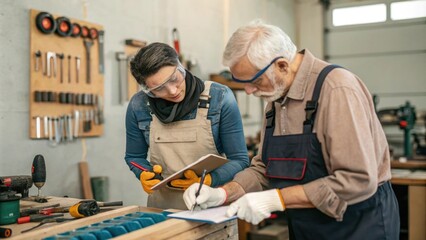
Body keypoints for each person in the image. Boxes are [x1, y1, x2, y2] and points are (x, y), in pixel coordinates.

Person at [183, 20, 400, 239]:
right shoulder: (275, 98)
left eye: (254, 81)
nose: (248, 91)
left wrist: (276, 199)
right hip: (307, 226)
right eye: (242, 82)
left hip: (358, 225)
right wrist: (222, 194)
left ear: (282, 66)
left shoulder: (336, 88)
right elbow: (264, 169)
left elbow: (357, 179)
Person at [125, 42, 249, 210]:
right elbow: (134, 156)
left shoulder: (219, 97)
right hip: (163, 209)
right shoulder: (139, 105)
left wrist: (209, 180)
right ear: (148, 90)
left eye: (174, 79)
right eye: (160, 88)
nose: (173, 91)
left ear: (180, 66)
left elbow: (240, 160)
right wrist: (143, 174)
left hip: (210, 205)